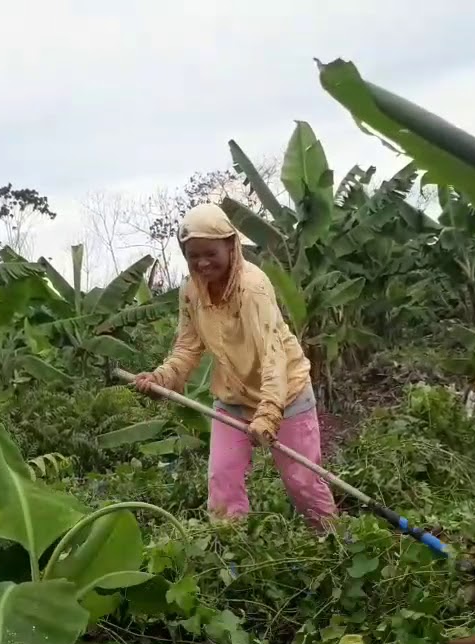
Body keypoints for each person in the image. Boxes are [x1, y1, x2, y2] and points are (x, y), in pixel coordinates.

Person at [131, 203, 338, 529]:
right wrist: (162, 378)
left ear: (231, 245)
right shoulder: (190, 293)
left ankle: (333, 543)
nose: (201, 262)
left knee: (303, 483)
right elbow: (187, 346)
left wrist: (269, 412)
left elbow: (273, 355)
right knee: (221, 479)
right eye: (192, 256)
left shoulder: (252, 288)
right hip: (233, 399)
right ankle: (230, 557)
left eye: (210, 253)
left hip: (287, 394)